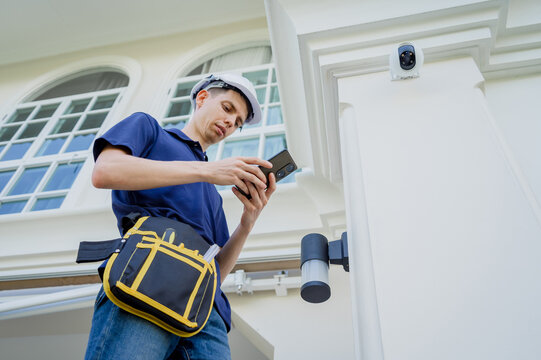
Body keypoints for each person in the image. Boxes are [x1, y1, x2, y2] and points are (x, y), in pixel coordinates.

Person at [84, 73, 276, 360]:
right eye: (227, 108)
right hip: (149, 279)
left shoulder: (212, 193)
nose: (230, 123)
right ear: (202, 99)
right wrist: (206, 171)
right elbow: (105, 171)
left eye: (237, 123)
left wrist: (248, 222)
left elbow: (215, 271)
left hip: (206, 311)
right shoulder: (150, 130)